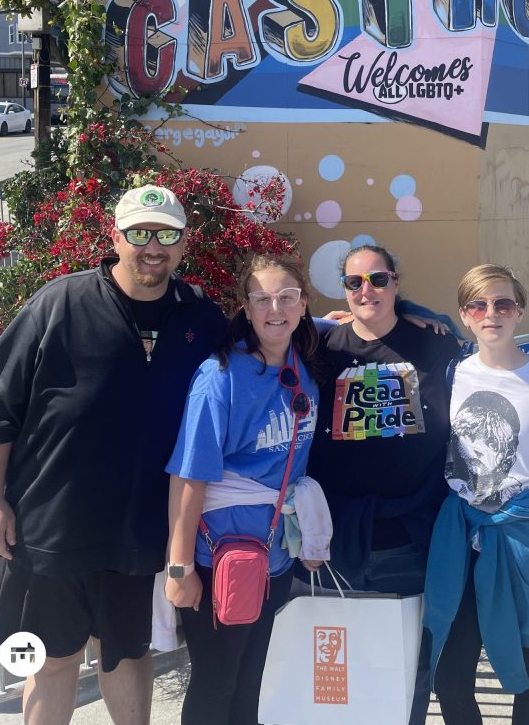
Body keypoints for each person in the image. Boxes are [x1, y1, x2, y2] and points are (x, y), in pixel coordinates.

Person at [0, 185, 228, 725]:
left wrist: (360, 323)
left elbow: (267, 340)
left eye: (166, 235)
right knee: (51, 660)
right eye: (139, 233)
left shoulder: (198, 315)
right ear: (115, 237)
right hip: (49, 528)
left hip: (136, 532)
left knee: (130, 654)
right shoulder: (59, 302)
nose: (152, 247)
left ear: (183, 245)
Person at [423, 264, 529, 725]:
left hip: (524, 547)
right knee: (450, 675)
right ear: (465, 315)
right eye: (479, 304)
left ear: (519, 312)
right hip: (460, 543)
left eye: (503, 304)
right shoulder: (452, 374)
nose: (491, 313)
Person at [305, 243, 464, 725]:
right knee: (341, 673)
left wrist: (422, 314)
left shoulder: (435, 344)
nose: (366, 290)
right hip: (334, 541)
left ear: (396, 281)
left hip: (412, 538)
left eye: (378, 279)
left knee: (410, 667)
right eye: (354, 282)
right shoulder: (320, 349)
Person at [165, 253, 327, 725]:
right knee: (217, 683)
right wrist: (178, 568)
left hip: (275, 555)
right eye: (262, 299)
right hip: (220, 559)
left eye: (286, 298)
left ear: (302, 305)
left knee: (252, 683)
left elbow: (369, 320)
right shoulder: (219, 378)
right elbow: (189, 476)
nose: (274, 309)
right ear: (246, 307)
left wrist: (431, 319)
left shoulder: (306, 364)